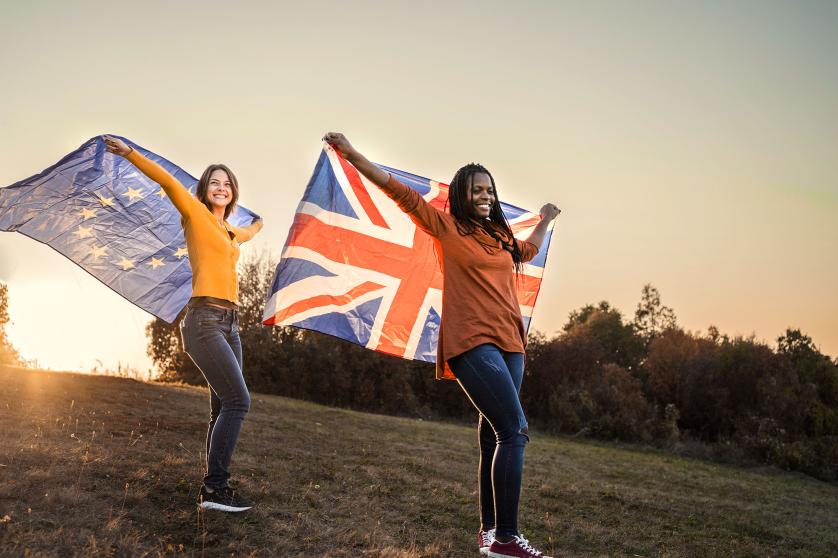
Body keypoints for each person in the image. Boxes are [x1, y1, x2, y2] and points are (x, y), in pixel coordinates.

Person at [323, 132, 560, 558]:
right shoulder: (446, 226)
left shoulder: (501, 236)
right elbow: (399, 192)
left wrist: (544, 219)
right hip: (471, 341)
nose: (486, 196)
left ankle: (490, 533)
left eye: (490, 190)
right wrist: (352, 153)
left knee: (494, 434)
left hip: (512, 343)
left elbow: (528, 250)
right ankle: (507, 539)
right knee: (515, 429)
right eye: (477, 190)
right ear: (462, 195)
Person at [104, 135, 263, 512]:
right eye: (215, 182)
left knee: (222, 406)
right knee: (238, 401)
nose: (221, 187)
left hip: (230, 324)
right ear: (204, 190)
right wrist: (131, 154)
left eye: (227, 183)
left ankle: (214, 489)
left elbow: (249, 232)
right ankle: (214, 489)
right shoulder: (195, 214)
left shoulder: (230, 232)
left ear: (233, 192)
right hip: (204, 321)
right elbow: (168, 181)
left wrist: (259, 223)